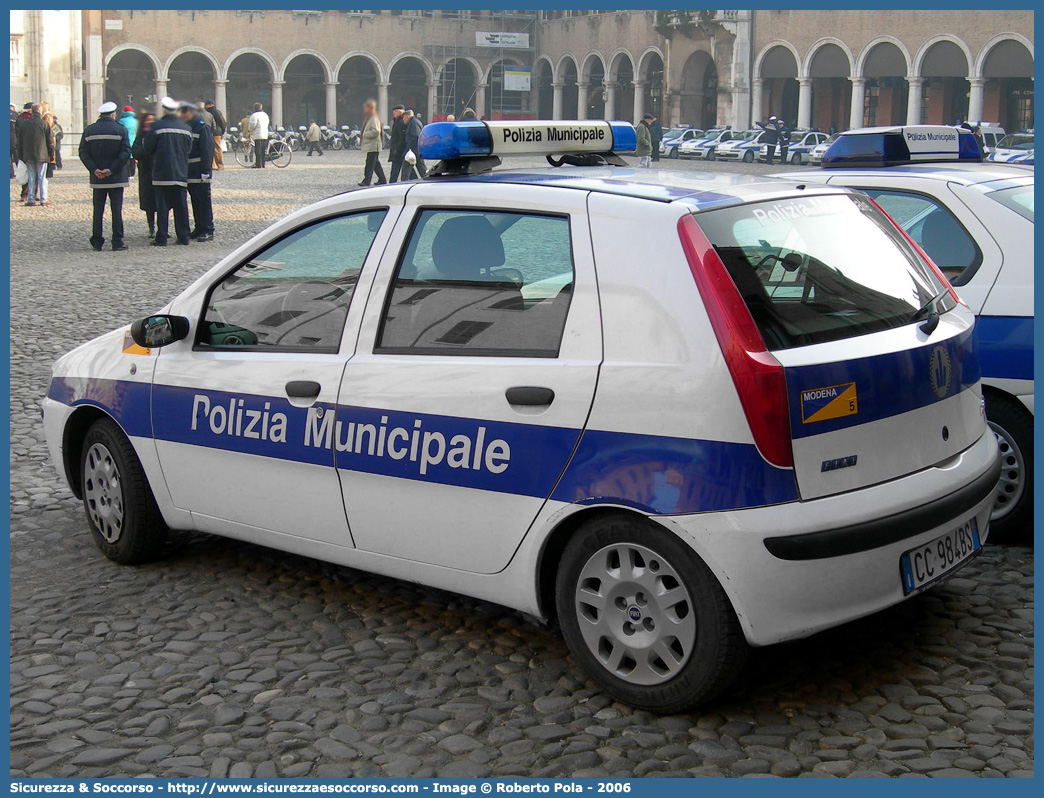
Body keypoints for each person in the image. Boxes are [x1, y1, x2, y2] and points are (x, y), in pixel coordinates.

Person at [78, 101, 131, 251]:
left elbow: (83, 152)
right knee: (116, 210)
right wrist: (111, 169)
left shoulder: (89, 130)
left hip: (97, 178)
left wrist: (94, 169)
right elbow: (125, 152)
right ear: (113, 115)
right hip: (116, 177)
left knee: (98, 210)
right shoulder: (120, 130)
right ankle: (117, 241)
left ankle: (97, 240)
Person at [143, 96, 191, 246]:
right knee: (181, 206)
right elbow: (188, 150)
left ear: (164, 110)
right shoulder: (186, 128)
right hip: (180, 172)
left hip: (161, 172)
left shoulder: (156, 127)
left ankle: (162, 236)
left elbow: (148, 148)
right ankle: (183, 236)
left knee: (162, 206)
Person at [180, 101, 215, 242]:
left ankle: (208, 228)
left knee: (204, 201)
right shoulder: (187, 128)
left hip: (200, 171)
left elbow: (207, 151)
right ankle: (199, 226)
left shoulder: (202, 128)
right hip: (189, 171)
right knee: (195, 201)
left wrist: (206, 171)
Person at [17, 103, 54, 206]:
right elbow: (49, 141)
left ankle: (31, 199)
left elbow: (19, 141)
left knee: (31, 176)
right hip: (42, 155)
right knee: (42, 177)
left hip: (28, 155)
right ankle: (43, 199)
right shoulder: (44, 123)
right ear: (39, 111)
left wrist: (20, 155)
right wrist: (51, 155)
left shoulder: (24, 124)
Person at [131, 111, 157, 238]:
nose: (150, 122)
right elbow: (135, 152)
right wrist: (145, 149)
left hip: (158, 170)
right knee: (149, 201)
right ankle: (151, 227)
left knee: (162, 201)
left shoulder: (158, 134)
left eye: (152, 119)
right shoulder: (140, 136)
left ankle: (163, 228)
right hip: (146, 171)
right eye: (148, 120)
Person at [358, 99, 386, 186]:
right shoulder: (370, 118)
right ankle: (382, 179)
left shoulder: (373, 118)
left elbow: (376, 131)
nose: (364, 110)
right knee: (375, 163)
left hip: (373, 144)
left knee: (370, 164)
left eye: (366, 108)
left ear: (370, 108)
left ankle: (366, 181)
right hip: (372, 145)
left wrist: (364, 134)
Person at [401, 109, 427, 180]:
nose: (403, 119)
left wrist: (408, 149)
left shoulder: (413, 123)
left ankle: (404, 183)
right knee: (421, 169)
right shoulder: (414, 122)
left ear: (407, 116)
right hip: (416, 150)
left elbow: (415, 137)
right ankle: (426, 179)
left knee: (406, 171)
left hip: (413, 150)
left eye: (404, 117)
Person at [204, 100, 226, 170]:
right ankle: (213, 165)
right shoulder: (212, 112)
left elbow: (222, 122)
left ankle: (220, 165)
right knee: (212, 148)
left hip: (216, 132)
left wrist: (222, 131)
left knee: (217, 148)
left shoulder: (215, 112)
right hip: (213, 131)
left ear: (210, 105)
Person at [248, 102, 270, 168]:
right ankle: (263, 164)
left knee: (258, 150)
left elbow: (252, 125)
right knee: (263, 150)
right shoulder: (265, 115)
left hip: (257, 135)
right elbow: (268, 122)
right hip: (265, 134)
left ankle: (258, 164)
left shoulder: (254, 115)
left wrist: (249, 130)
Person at [118, 105, 138, 177]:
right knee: (133, 157)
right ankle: (132, 173)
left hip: (125, 140)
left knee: (126, 157)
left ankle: (127, 173)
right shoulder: (136, 121)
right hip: (134, 140)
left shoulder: (121, 120)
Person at [387, 105, 406, 181]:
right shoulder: (397, 122)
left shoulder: (401, 123)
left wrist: (396, 149)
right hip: (398, 150)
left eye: (395, 112)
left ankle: (392, 182)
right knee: (404, 168)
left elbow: (401, 138)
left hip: (399, 151)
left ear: (400, 112)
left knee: (397, 168)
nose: (393, 113)